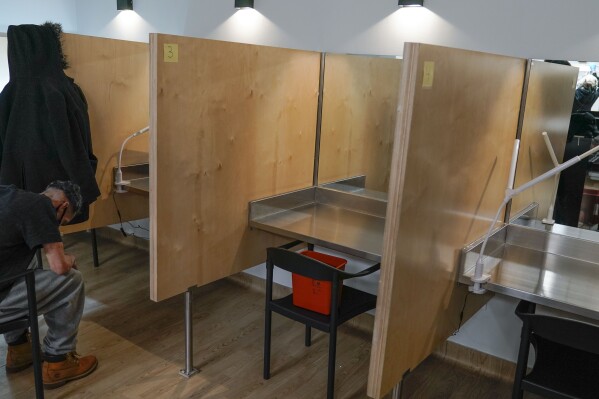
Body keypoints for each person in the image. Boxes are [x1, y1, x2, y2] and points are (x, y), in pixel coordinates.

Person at [0, 181, 98, 389]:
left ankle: (19, 348)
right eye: (63, 222)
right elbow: (59, 267)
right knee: (71, 280)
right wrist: (69, 258)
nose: (59, 227)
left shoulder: (8, 194)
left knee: (31, 261)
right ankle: (58, 361)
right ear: (62, 207)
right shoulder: (41, 206)